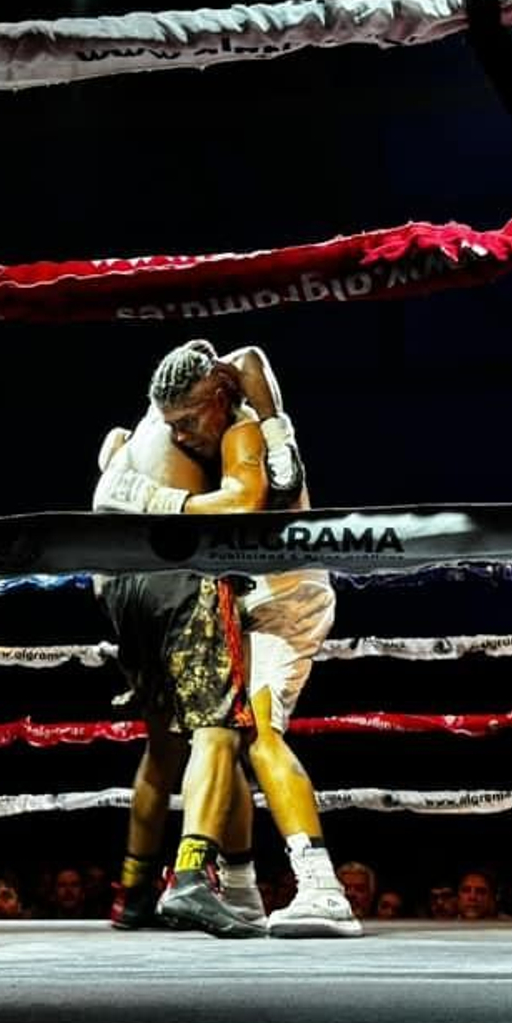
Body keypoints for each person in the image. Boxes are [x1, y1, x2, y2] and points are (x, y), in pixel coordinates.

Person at [96, 340, 360, 938]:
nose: (184, 436)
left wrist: (153, 497)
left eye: (190, 420)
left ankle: (322, 886)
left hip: (284, 600)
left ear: (218, 399)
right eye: (174, 426)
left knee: (258, 735)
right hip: (243, 597)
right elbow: (115, 449)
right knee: (230, 737)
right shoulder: (192, 435)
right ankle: (239, 889)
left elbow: (242, 500)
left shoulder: (244, 433)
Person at [92, 411, 264, 938]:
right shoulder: (229, 422)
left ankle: (134, 892)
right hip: (186, 577)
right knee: (217, 729)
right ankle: (191, 875)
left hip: (118, 584)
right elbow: (248, 500)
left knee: (161, 745)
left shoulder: (125, 438)